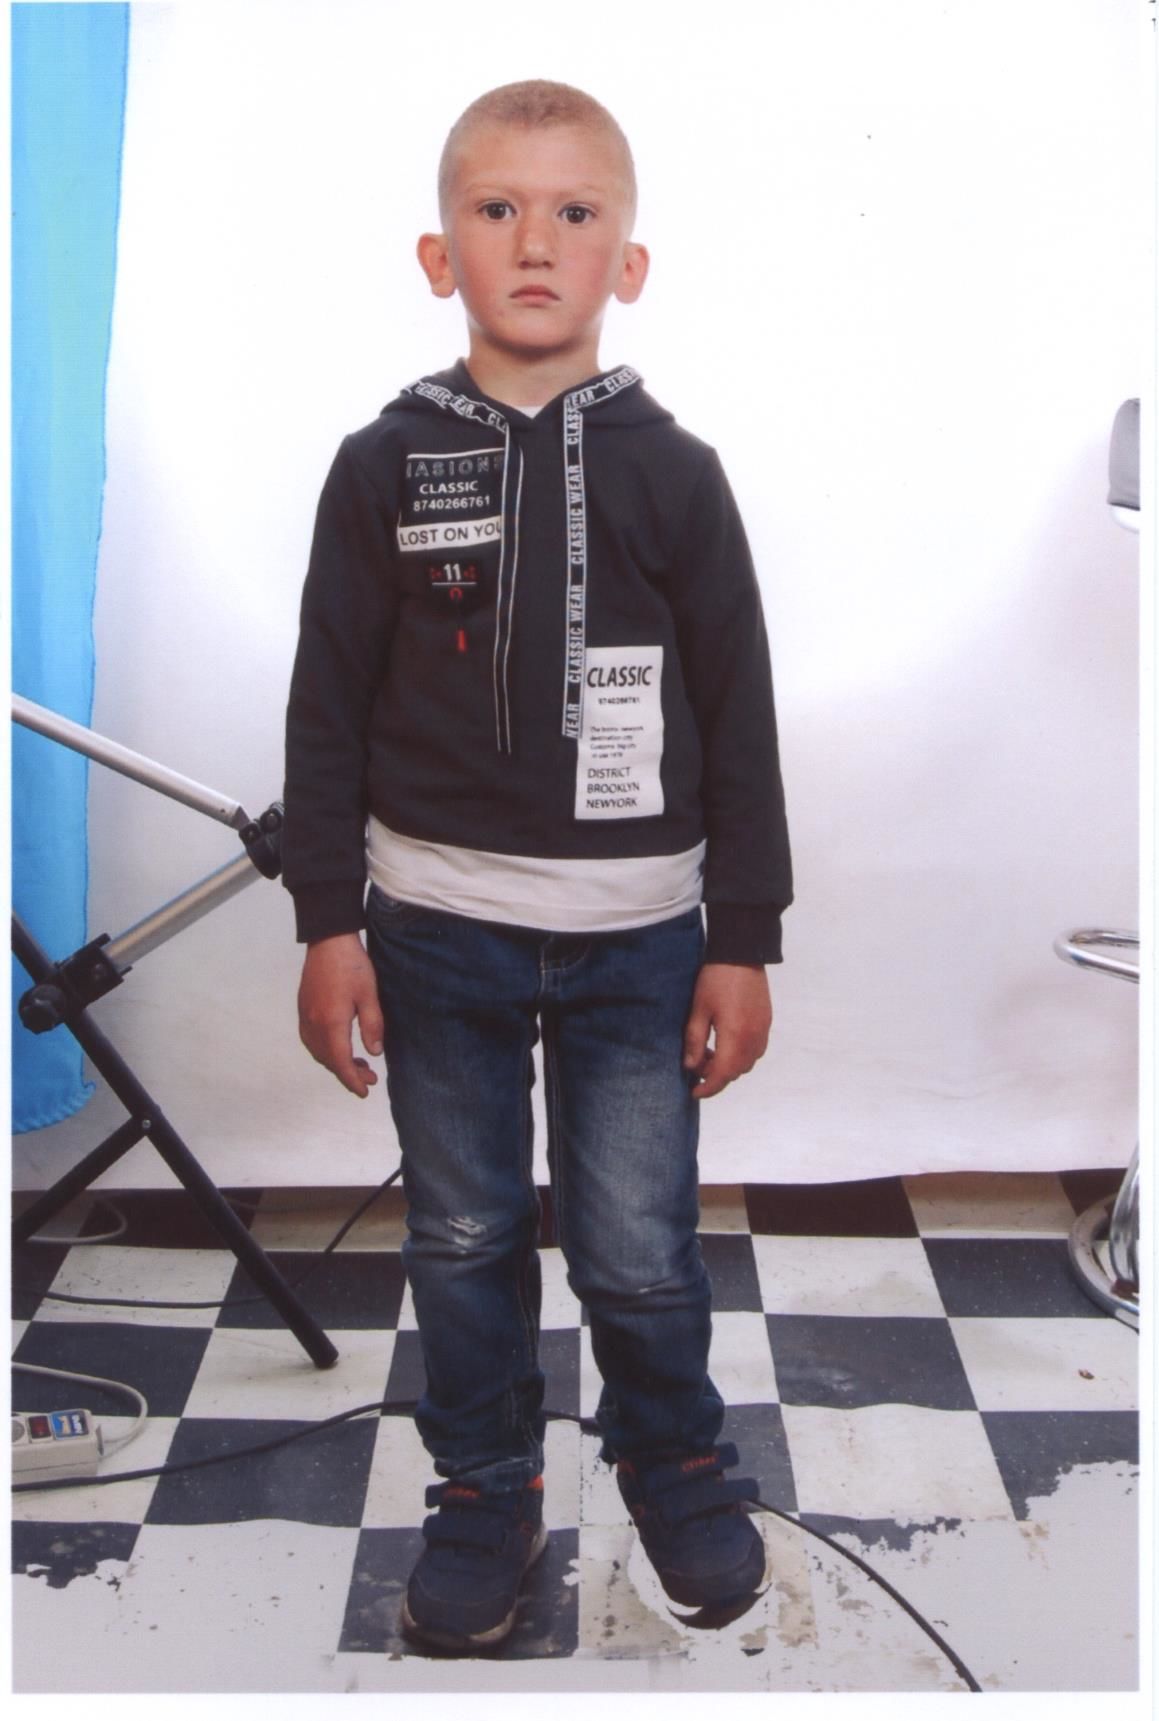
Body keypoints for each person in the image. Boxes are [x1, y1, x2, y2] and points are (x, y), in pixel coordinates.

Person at [283, 79, 792, 1655]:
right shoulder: (381, 464)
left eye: (575, 213)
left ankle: (673, 1458)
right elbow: (325, 703)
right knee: (463, 1235)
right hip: (433, 931)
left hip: (642, 941)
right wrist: (328, 922)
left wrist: (743, 936)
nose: (534, 243)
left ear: (626, 262)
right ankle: (486, 1487)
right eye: (497, 210)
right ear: (440, 256)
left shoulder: (679, 473)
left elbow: (741, 708)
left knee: (637, 1246)